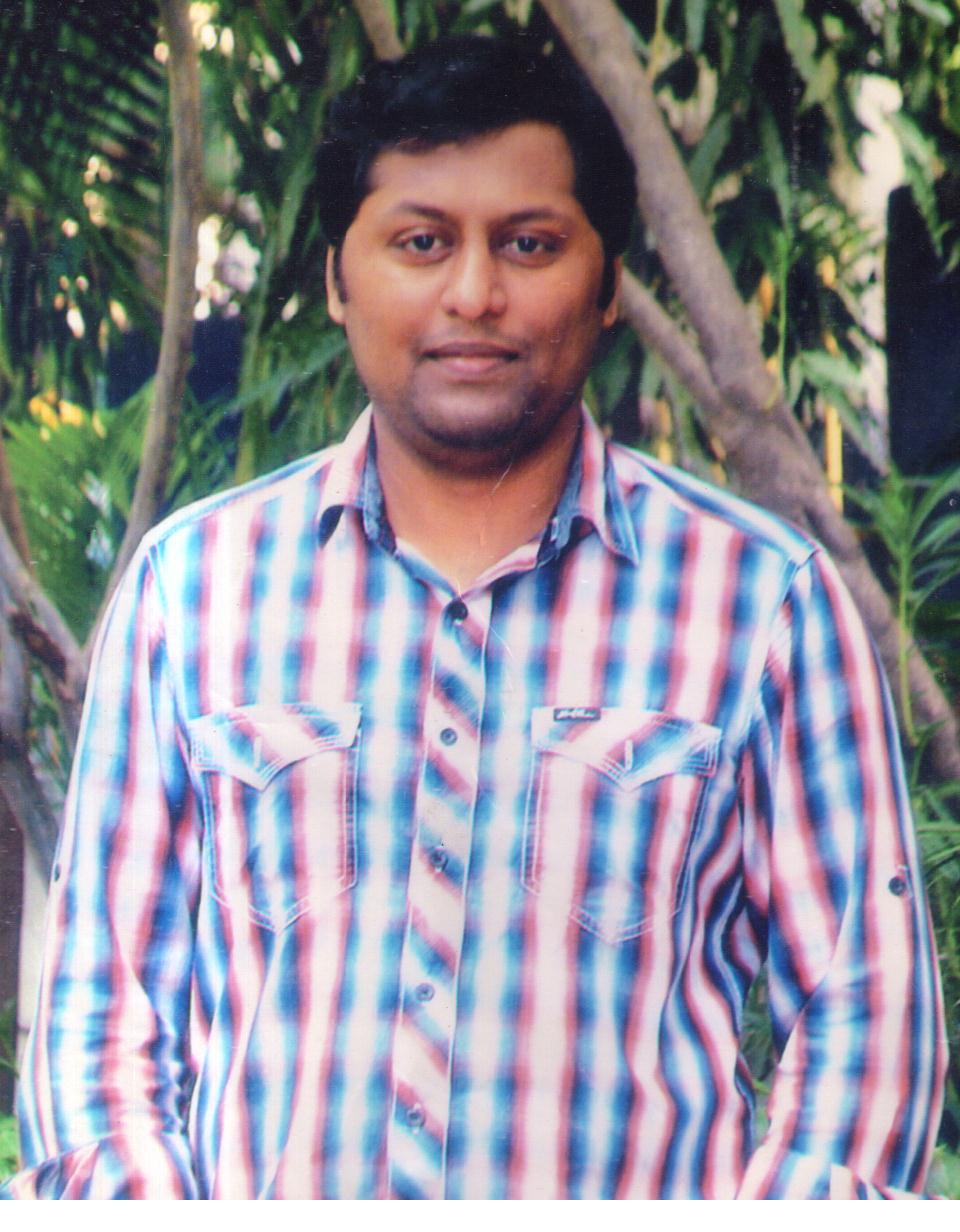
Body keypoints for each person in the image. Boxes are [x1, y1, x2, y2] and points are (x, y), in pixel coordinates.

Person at [3, 36, 946, 1200]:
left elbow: (866, 1028)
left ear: (609, 284)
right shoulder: (192, 591)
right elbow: (101, 1023)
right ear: (340, 280)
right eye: (421, 242)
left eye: (529, 243)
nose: (473, 294)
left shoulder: (763, 604)